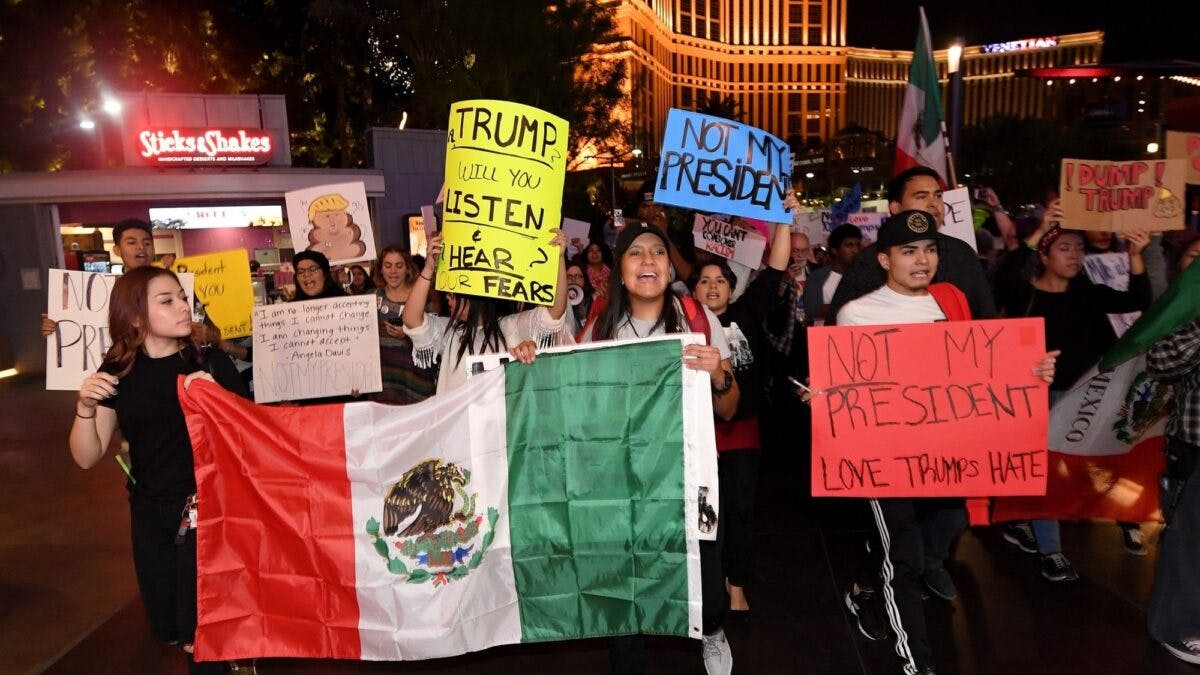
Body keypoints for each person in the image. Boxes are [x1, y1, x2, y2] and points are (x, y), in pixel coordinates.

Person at [836, 210, 1057, 675]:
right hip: (886, 456)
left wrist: (1030, 372)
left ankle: (862, 588)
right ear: (884, 260)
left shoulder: (952, 302)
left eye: (930, 250)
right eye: (909, 251)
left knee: (907, 539)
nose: (922, 260)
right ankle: (918, 663)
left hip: (944, 454)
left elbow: (979, 370)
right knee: (904, 555)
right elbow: (846, 388)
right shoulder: (856, 314)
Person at [561, 221, 737, 675]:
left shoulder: (698, 318)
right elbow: (572, 398)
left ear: (669, 267)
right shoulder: (600, 329)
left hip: (689, 477)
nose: (647, 260)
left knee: (707, 583)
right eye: (635, 252)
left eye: (657, 251)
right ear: (620, 271)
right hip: (622, 482)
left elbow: (730, 408)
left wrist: (719, 374)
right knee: (625, 586)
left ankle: (712, 630)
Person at [68, 266, 250, 675]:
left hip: (210, 513)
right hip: (151, 516)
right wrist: (85, 408)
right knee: (174, 628)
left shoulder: (210, 362)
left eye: (182, 298)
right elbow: (85, 456)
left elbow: (250, 441)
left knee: (203, 635)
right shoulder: (117, 371)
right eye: (167, 301)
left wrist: (220, 404)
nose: (183, 307)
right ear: (135, 316)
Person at [994, 224, 1151, 579]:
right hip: (1038, 397)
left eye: (1079, 248)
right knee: (1046, 472)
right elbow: (1003, 276)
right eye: (1064, 248)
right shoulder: (1024, 295)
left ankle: (1026, 518)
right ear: (1044, 256)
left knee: (1089, 465)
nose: (1075, 255)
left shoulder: (1088, 294)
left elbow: (1137, 301)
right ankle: (1051, 550)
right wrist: (1036, 231)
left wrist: (1136, 255)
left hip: (1085, 397)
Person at [686, 218, 792, 617]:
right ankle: (707, 583)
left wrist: (784, 220)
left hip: (742, 432)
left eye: (721, 281)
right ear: (692, 291)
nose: (713, 287)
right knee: (707, 515)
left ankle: (737, 584)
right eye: (704, 281)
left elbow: (776, 268)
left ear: (733, 289)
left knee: (741, 511)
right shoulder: (681, 324)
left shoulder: (746, 313)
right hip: (699, 437)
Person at [402, 231, 571, 394]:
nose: (447, 296)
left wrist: (558, 259)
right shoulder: (449, 331)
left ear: (472, 296)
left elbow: (554, 313)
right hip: (459, 415)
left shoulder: (512, 326)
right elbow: (411, 319)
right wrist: (428, 269)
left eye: (454, 292)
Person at [827, 166, 997, 324]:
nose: (934, 203)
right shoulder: (867, 262)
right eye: (921, 196)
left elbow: (987, 321)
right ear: (896, 207)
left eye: (938, 196)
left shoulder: (961, 253)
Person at [1146, 236, 1200, 664]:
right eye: (1195, 259)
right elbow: (1161, 363)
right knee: (1188, 543)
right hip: (1194, 445)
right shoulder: (1181, 313)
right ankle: (1174, 627)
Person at [371, 246, 436, 405]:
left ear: (407, 268)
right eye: (388, 265)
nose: (393, 271)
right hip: (383, 383)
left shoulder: (420, 297)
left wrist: (408, 334)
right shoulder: (370, 298)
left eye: (399, 266)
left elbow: (434, 338)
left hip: (415, 379)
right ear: (380, 269)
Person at [804, 223, 862, 326]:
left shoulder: (864, 275)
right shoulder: (817, 277)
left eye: (858, 245)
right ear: (834, 250)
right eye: (849, 245)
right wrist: (849, 306)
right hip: (828, 334)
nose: (855, 250)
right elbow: (812, 310)